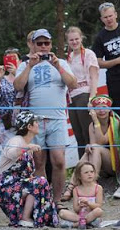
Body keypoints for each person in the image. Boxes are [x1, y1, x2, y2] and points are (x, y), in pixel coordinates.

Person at [14, 29, 77, 207]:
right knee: (38, 161)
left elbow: (73, 84)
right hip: (35, 121)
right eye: (39, 43)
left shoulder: (62, 62)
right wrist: (29, 66)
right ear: (33, 45)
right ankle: (43, 201)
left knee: (59, 160)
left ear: (51, 45)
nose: (43, 47)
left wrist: (58, 66)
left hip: (57, 119)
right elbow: (17, 86)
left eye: (46, 43)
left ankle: (57, 201)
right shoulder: (25, 63)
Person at [0, 111, 58, 228]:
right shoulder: (16, 140)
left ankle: (39, 217)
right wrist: (25, 148)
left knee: (40, 182)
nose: (38, 124)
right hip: (5, 186)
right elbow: (11, 153)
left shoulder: (26, 143)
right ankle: (25, 217)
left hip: (18, 185)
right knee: (40, 181)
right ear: (29, 127)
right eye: (36, 122)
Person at [64, 95, 120, 195]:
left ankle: (91, 184)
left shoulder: (115, 122)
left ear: (109, 109)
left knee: (95, 147)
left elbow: (101, 141)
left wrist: (96, 121)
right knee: (89, 152)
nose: (101, 111)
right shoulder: (92, 125)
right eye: (98, 108)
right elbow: (93, 146)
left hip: (115, 163)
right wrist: (88, 147)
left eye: (104, 107)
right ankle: (71, 186)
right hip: (100, 162)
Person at [65, 26, 100, 161]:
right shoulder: (68, 58)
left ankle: (94, 166)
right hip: (71, 97)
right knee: (78, 135)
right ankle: (82, 168)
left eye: (76, 39)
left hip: (84, 94)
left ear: (81, 39)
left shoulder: (88, 54)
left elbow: (94, 77)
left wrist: (92, 97)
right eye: (71, 40)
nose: (74, 42)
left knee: (88, 133)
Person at [58, 161, 104, 229]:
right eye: (86, 172)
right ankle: (87, 223)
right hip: (79, 216)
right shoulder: (76, 190)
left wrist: (88, 203)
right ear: (79, 176)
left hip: (92, 214)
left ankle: (74, 225)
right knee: (62, 212)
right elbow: (76, 209)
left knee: (99, 211)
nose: (89, 174)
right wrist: (80, 206)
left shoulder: (98, 188)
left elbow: (99, 205)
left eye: (92, 172)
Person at [0, 48, 19, 154]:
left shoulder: (24, 76)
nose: (10, 61)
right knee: (9, 154)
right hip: (7, 123)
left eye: (14, 58)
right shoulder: (2, 80)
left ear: (19, 61)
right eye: (8, 59)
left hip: (23, 123)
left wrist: (17, 73)